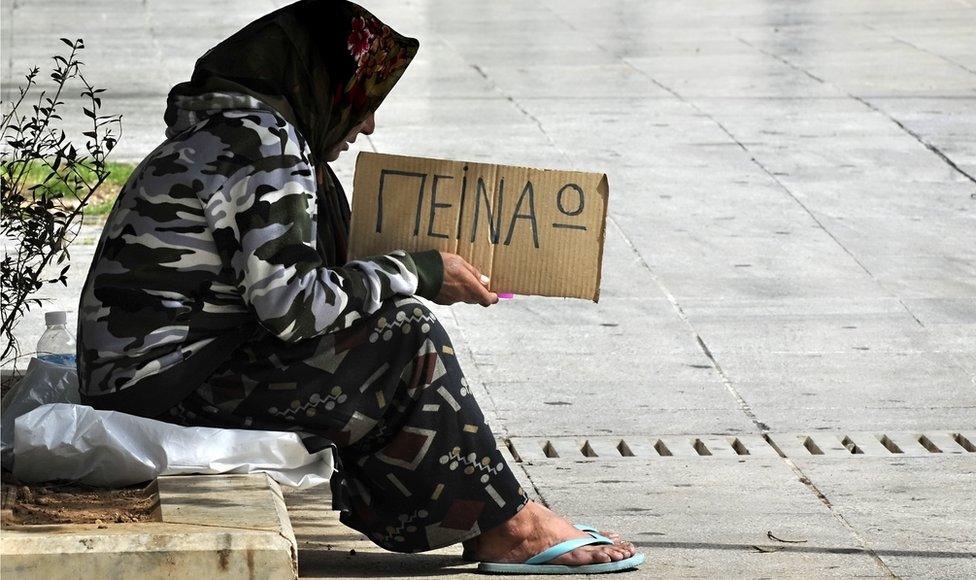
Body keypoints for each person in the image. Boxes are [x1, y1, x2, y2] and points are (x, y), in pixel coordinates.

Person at [77, 0, 643, 574]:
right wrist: (417, 271)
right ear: (323, 85)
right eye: (362, 103)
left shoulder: (235, 129)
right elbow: (294, 309)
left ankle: (487, 517)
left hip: (151, 374)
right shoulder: (263, 142)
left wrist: (402, 270)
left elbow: (288, 289)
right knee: (404, 336)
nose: (366, 124)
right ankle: (512, 529)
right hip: (162, 384)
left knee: (380, 326)